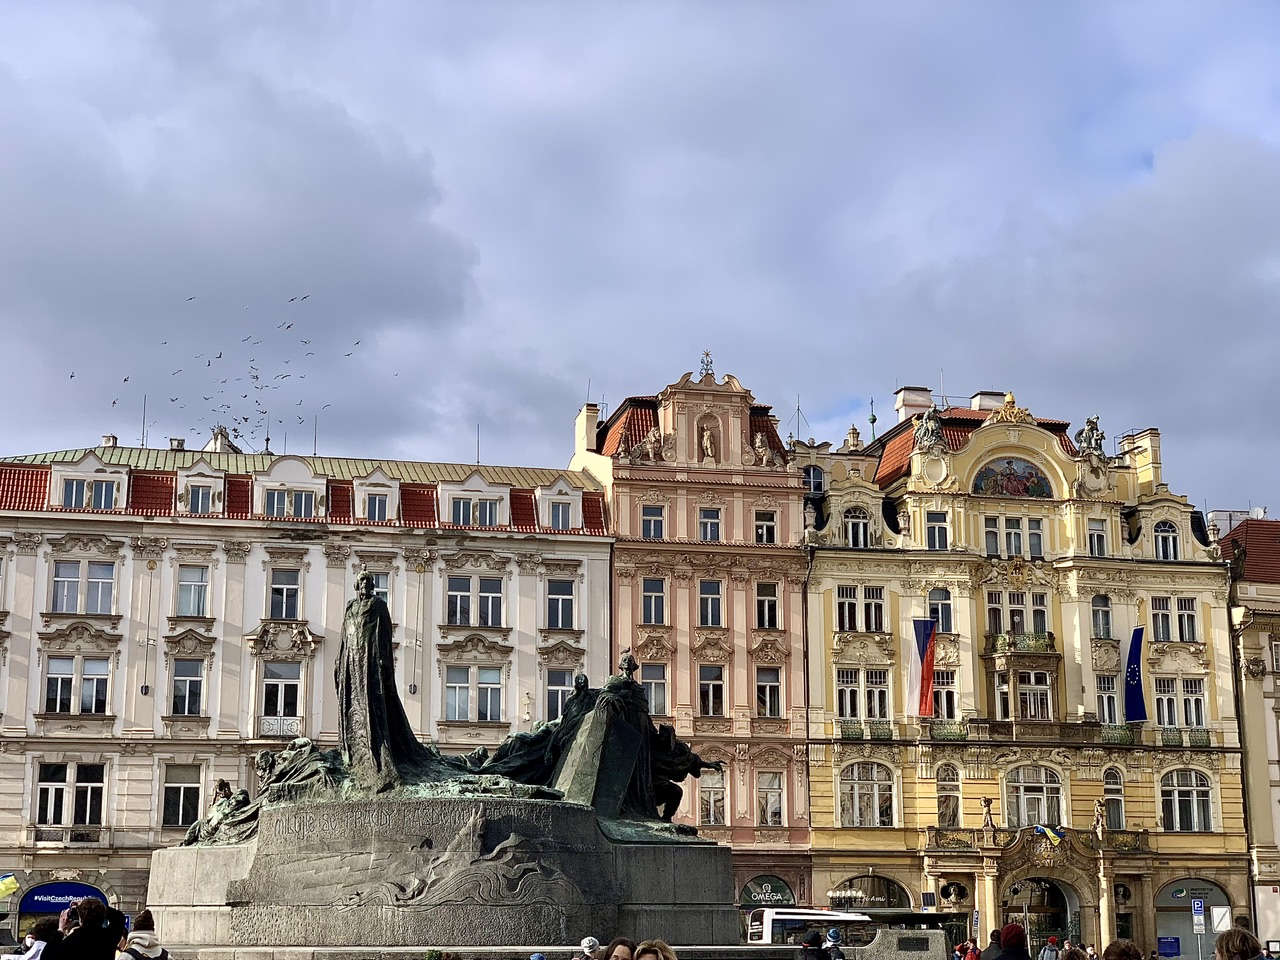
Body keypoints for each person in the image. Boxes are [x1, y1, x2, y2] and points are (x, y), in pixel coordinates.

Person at [42, 897, 125, 960]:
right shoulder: (108, 938)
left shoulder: (71, 941)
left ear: (80, 918)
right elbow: (119, 917)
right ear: (103, 916)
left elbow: (46, 957)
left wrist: (60, 930)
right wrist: (94, 906)